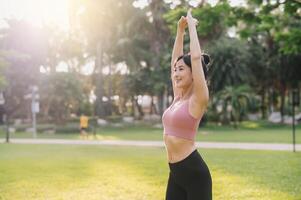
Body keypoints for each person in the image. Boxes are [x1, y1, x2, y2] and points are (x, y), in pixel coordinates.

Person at [162, 9, 212, 200]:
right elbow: (175, 59)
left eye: (181, 69)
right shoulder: (178, 97)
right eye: (175, 70)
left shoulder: (198, 99)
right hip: (175, 172)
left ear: (193, 74)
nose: (175, 73)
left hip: (194, 174)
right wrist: (179, 31)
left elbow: (196, 59)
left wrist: (192, 26)